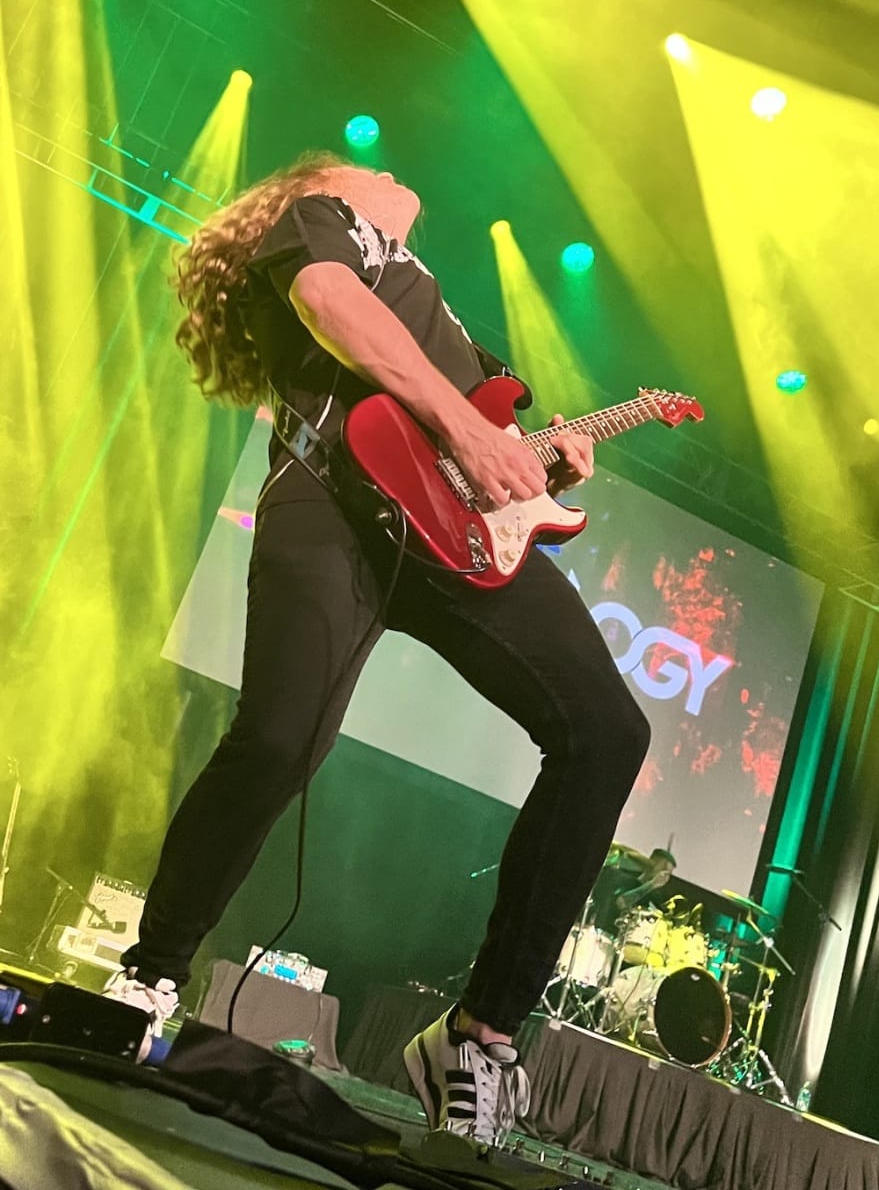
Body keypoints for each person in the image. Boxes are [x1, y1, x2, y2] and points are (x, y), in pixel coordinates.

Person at [104, 152, 651, 1144]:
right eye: (369, 163)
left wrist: (538, 464)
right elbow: (328, 301)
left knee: (608, 732)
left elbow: (484, 443)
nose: (392, 169)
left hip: (452, 535)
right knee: (280, 739)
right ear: (321, 181)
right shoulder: (321, 219)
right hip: (334, 498)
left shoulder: (433, 306)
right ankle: (149, 977)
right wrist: (466, 431)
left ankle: (481, 1038)